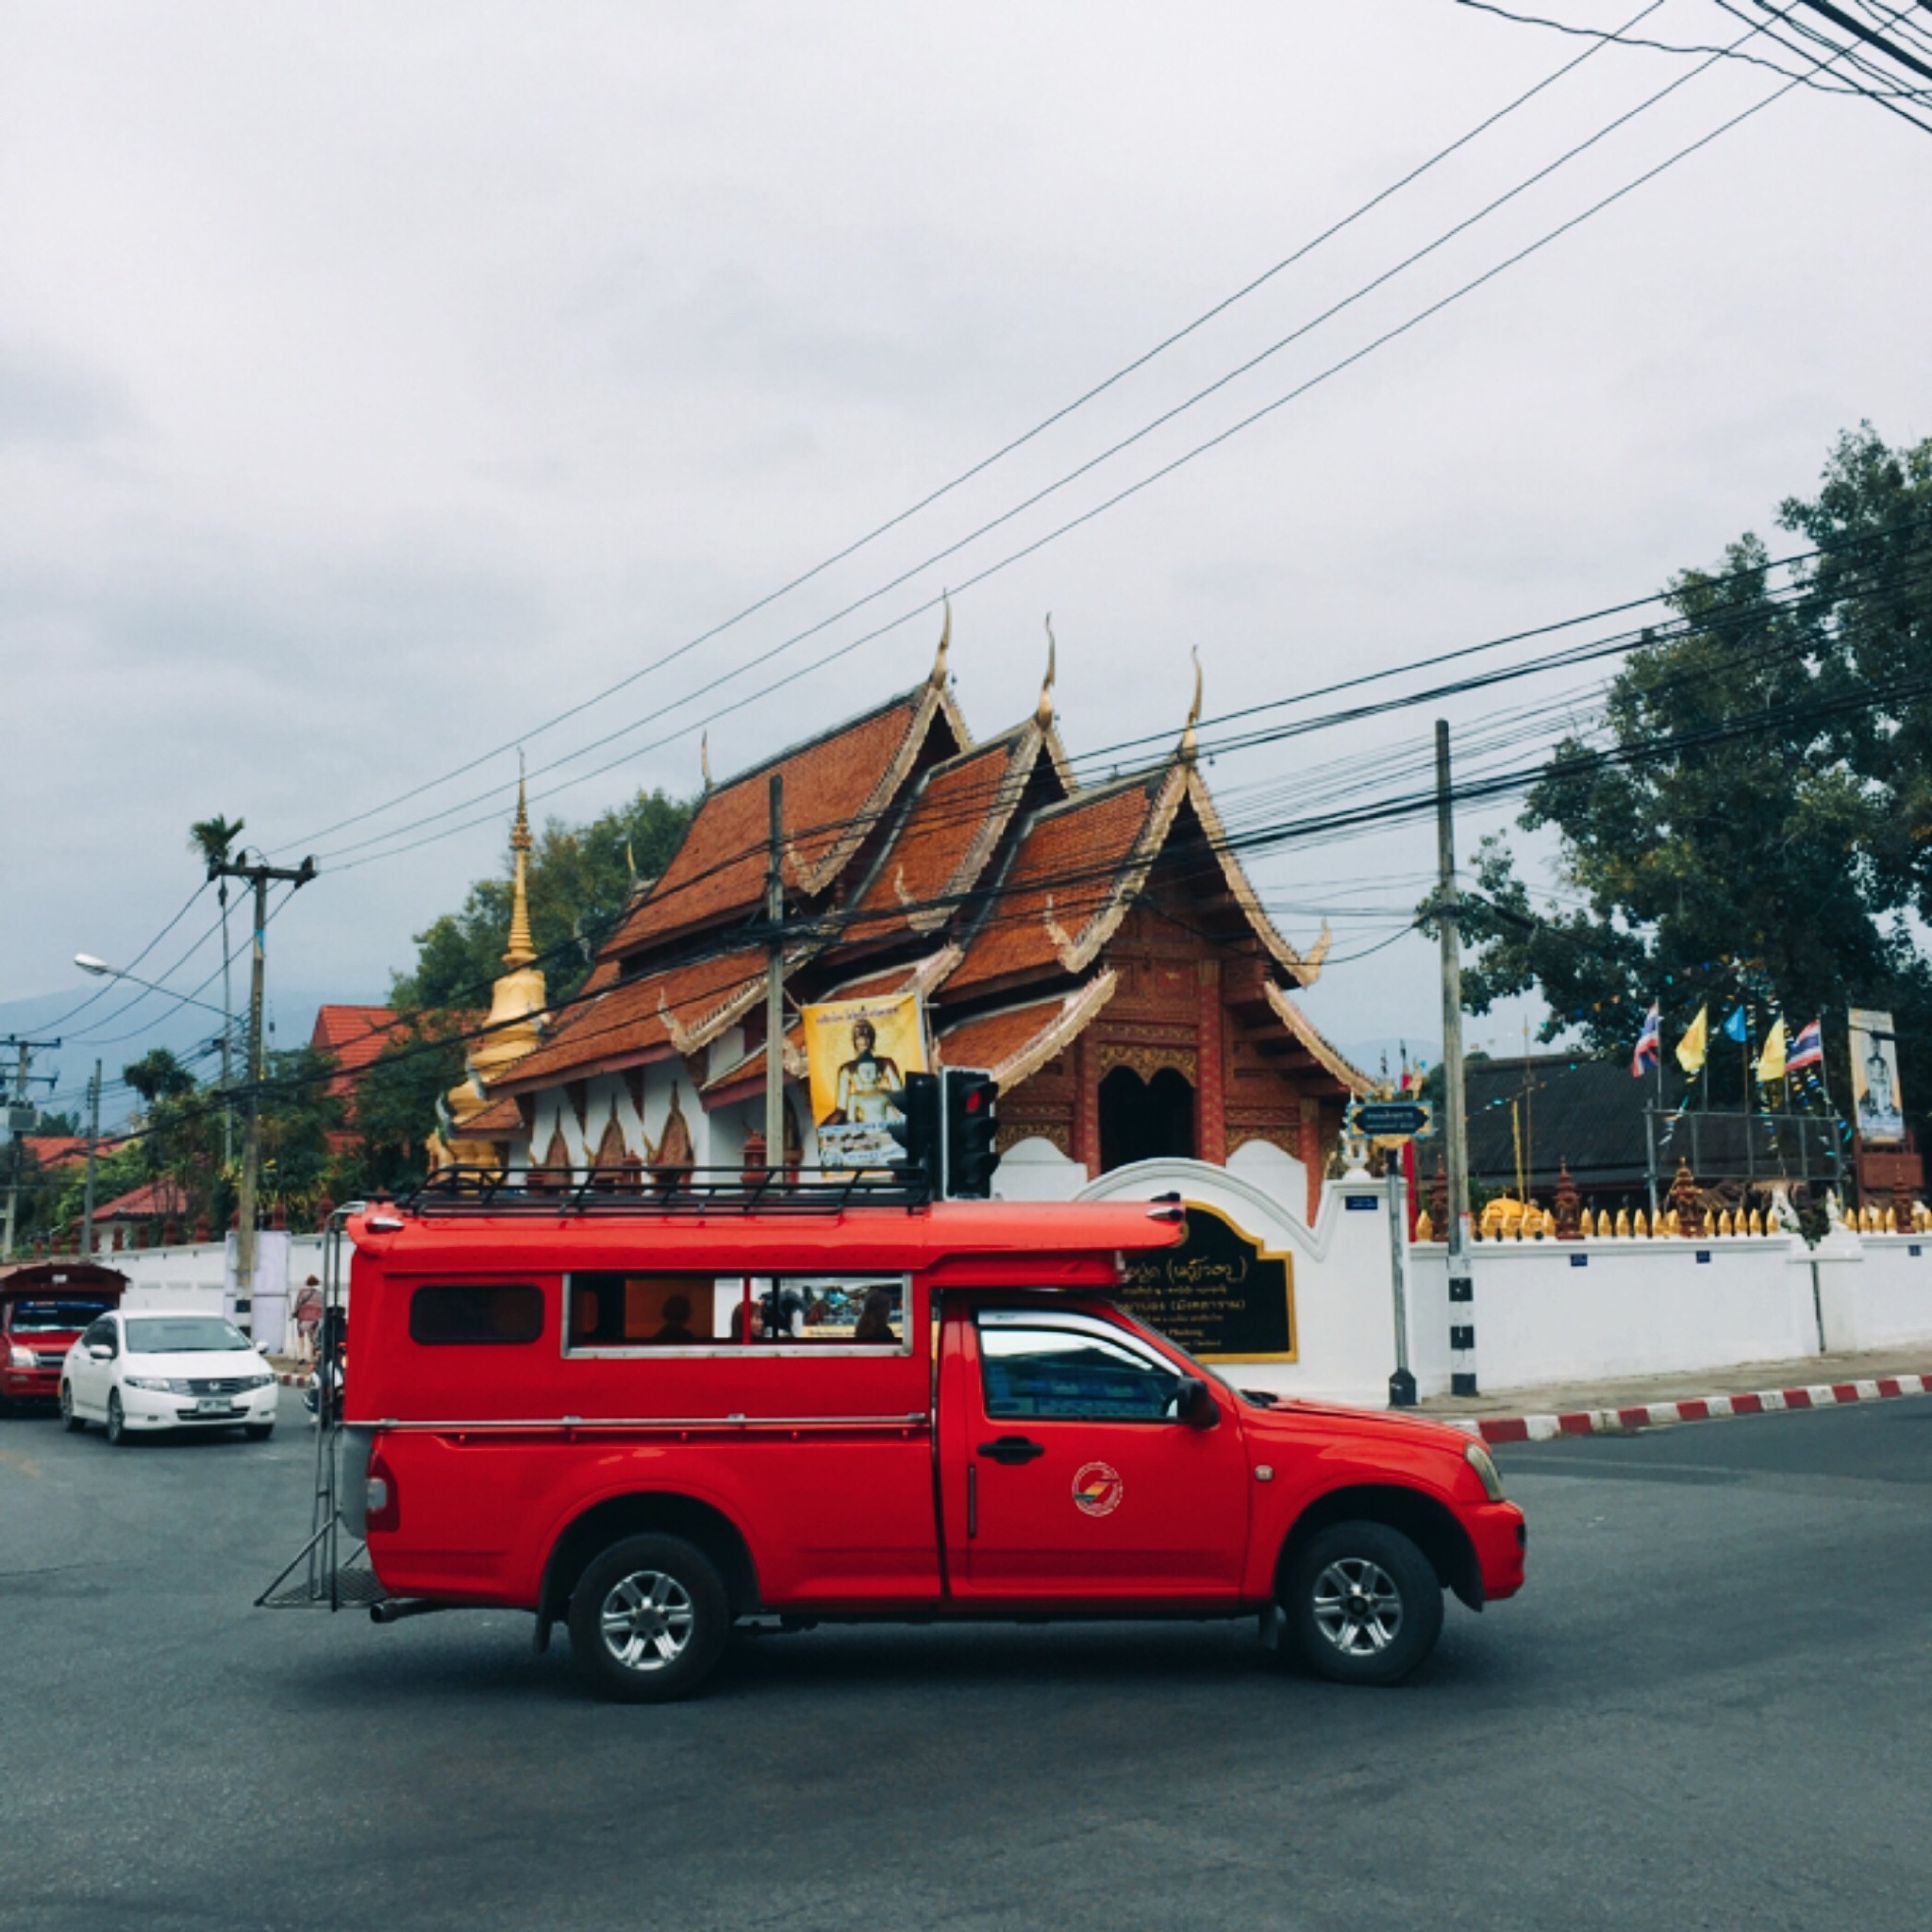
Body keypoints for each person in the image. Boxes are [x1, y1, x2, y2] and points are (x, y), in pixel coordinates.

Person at [823, 1018, 904, 1125]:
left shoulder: (886, 1063)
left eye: (867, 1035)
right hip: (860, 1124)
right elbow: (841, 1109)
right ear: (854, 1040)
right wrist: (826, 1127)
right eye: (859, 1035)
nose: (863, 1039)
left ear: (872, 1038)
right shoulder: (847, 1069)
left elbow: (900, 1098)